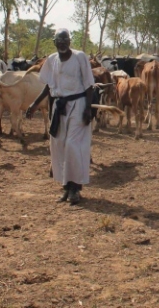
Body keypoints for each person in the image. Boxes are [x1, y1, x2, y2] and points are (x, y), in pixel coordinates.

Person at [26, 29, 95, 205]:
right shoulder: (51, 60)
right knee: (59, 145)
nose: (62, 43)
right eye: (59, 40)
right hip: (59, 106)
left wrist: (88, 109)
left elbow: (89, 85)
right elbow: (49, 86)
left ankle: (76, 188)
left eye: (65, 40)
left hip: (78, 104)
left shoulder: (80, 57)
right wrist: (34, 104)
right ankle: (66, 186)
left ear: (69, 41)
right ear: (54, 42)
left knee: (73, 145)